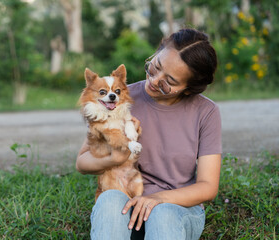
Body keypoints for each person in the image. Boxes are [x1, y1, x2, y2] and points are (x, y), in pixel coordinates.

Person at [76, 28, 222, 240]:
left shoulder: (206, 113)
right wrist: (113, 157)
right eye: (155, 67)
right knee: (109, 200)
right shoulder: (119, 99)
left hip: (176, 210)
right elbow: (82, 162)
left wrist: (159, 198)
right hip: (128, 204)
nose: (154, 81)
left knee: (162, 214)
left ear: (188, 89)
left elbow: (208, 187)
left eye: (169, 82)